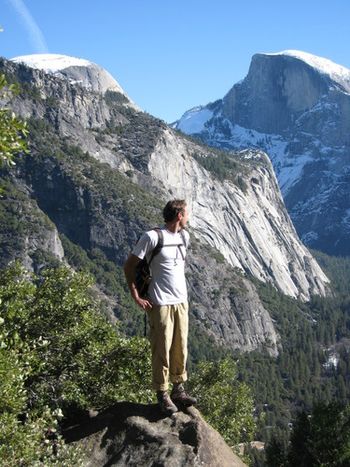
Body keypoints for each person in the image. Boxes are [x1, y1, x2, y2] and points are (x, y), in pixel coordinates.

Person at [123, 199, 196, 415]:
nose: (189, 217)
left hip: (181, 301)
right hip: (160, 302)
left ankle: (178, 389)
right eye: (187, 213)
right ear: (179, 215)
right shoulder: (152, 237)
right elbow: (129, 266)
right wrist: (135, 294)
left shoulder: (184, 237)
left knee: (180, 347)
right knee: (161, 349)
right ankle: (162, 393)